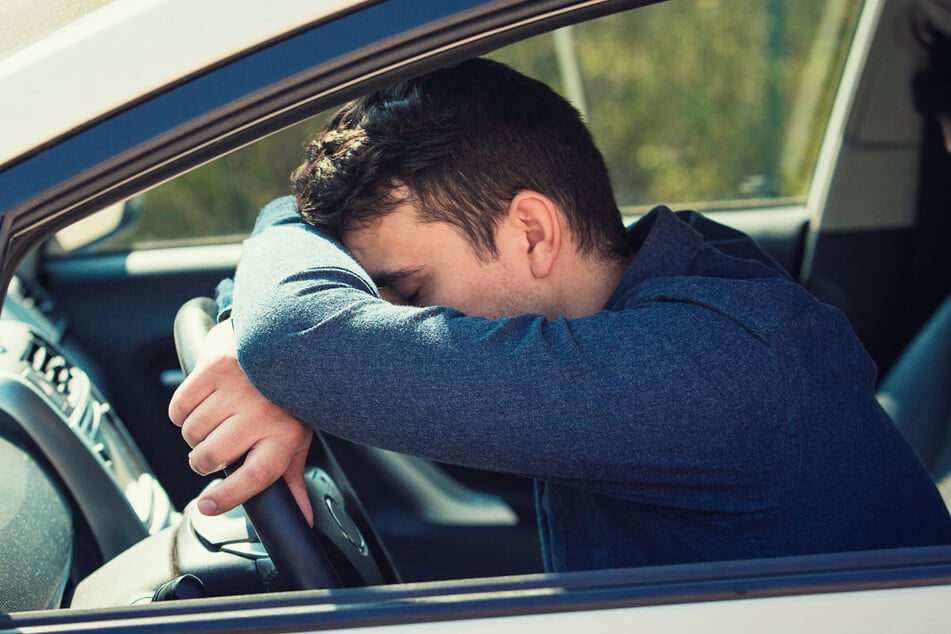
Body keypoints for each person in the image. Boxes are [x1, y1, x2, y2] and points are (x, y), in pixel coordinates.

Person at [168, 58, 951, 573]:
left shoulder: (709, 365)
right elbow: (305, 339)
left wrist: (270, 315)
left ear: (533, 233)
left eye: (406, 288)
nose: (390, 318)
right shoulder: (648, 302)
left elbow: (301, 339)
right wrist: (261, 340)